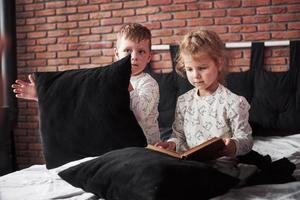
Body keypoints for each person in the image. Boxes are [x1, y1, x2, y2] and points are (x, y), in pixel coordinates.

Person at [11, 23, 161, 145]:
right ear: (117, 54)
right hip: (118, 146)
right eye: (128, 50)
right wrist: (44, 96)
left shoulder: (149, 84)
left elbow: (139, 114)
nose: (134, 57)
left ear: (149, 57)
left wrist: (126, 85)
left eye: (141, 52)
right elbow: (83, 103)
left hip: (147, 146)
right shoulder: (107, 80)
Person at [155, 30, 253, 178]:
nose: (195, 75)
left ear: (219, 63)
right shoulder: (184, 101)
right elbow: (179, 135)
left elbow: (246, 140)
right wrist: (171, 145)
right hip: (189, 163)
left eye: (202, 68)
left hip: (220, 167)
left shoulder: (234, 102)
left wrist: (232, 145)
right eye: (189, 69)